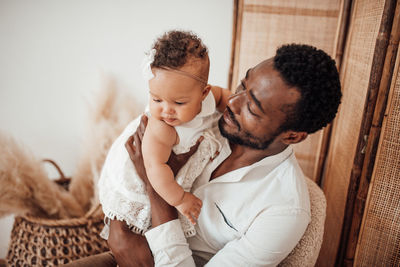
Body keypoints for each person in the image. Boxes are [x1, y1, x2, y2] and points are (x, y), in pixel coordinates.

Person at [66, 43, 341, 266]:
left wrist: (154, 186)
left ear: (292, 136)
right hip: (125, 245)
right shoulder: (204, 115)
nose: (232, 103)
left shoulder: (283, 211)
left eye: (253, 109)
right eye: (243, 86)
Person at [97, 30, 231, 243]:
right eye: (157, 99)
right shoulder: (161, 127)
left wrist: (233, 111)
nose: (166, 110)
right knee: (140, 228)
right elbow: (154, 169)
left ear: (203, 93)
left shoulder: (209, 97)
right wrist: (180, 199)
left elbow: (224, 96)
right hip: (148, 174)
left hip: (168, 165)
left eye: (178, 103)